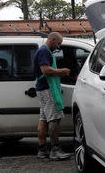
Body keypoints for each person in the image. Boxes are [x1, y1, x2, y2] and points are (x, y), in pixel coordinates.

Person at [34, 32, 71, 160]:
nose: (59, 47)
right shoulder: (44, 51)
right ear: (53, 39)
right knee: (54, 119)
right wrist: (62, 71)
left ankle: (42, 149)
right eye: (59, 43)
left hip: (43, 89)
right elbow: (45, 70)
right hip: (48, 89)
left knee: (44, 119)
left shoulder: (43, 51)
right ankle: (55, 149)